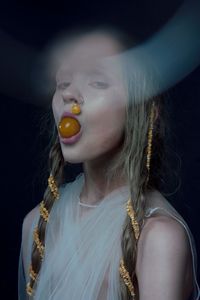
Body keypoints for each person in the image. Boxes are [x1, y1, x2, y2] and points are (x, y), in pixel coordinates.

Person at [18, 27, 200, 300]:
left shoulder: (159, 239)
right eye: (63, 83)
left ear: (144, 110)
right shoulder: (35, 224)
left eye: (98, 82)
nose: (69, 95)